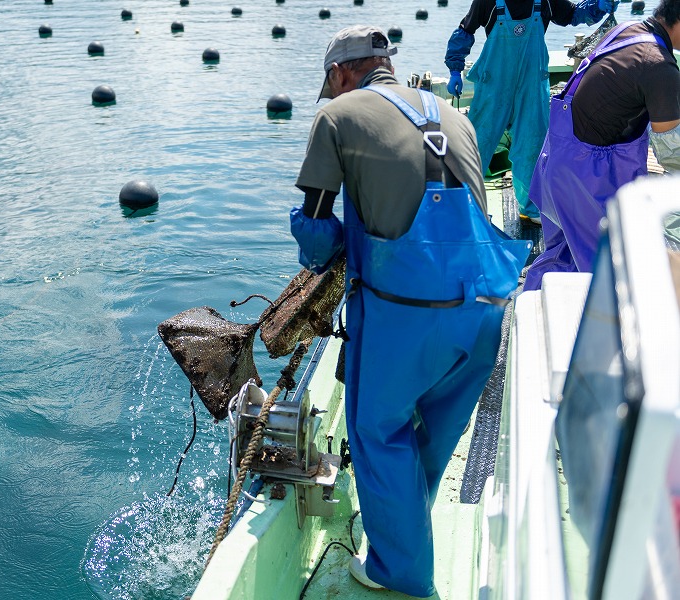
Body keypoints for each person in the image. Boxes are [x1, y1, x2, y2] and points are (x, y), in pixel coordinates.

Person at [290, 25, 530, 596]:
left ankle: (401, 572)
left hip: (406, 312)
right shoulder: (455, 115)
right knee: (433, 429)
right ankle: (404, 529)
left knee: (377, 429)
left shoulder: (338, 116)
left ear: (343, 73)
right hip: (484, 311)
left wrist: (320, 246)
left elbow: (319, 231)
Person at [525, 1, 680, 289]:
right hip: (584, 179)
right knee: (606, 275)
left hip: (555, 164)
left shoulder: (626, 31)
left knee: (559, 259)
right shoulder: (658, 65)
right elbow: (672, 151)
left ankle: (530, 309)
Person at [444, 0, 617, 224]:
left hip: (531, 86)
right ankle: (464, 205)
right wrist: (455, 68)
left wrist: (597, 7)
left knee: (532, 146)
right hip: (494, 87)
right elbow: (466, 30)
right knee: (477, 144)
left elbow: (572, 15)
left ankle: (531, 206)